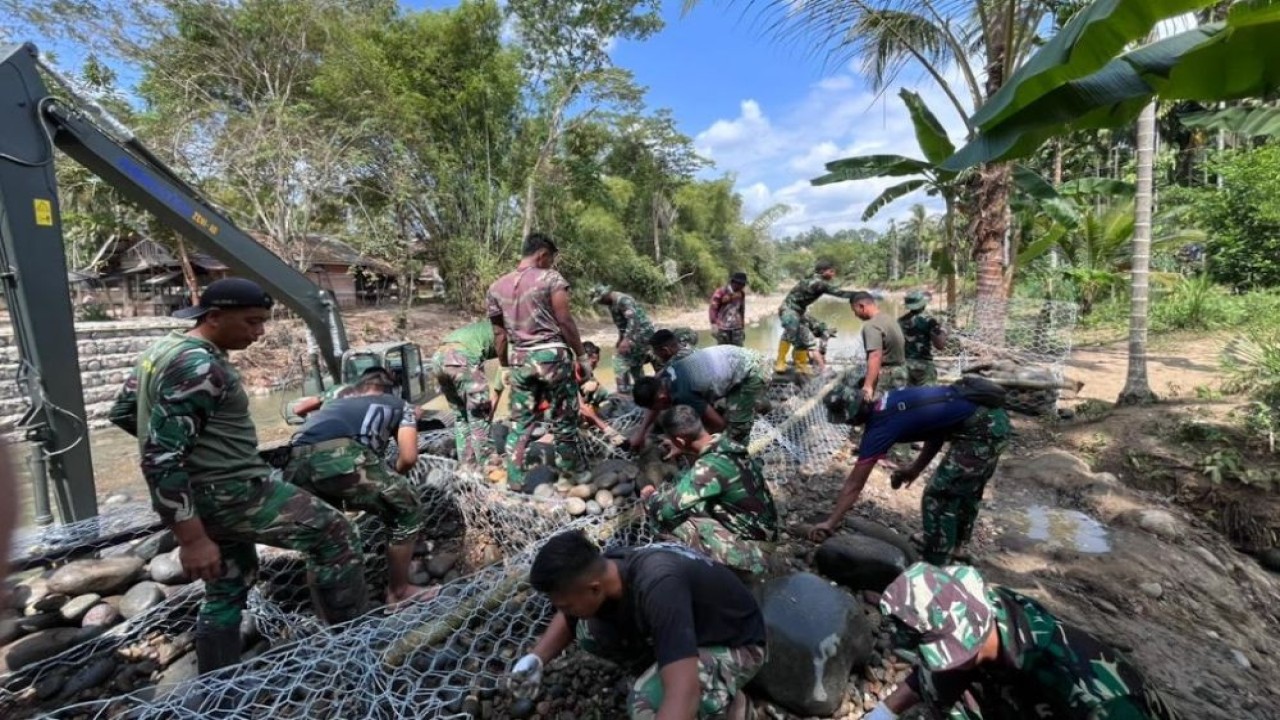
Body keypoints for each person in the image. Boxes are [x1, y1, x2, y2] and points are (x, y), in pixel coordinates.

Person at [108, 277, 366, 675]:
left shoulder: (160, 351)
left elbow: (127, 414)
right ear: (213, 317)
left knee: (227, 582)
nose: (259, 332)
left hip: (201, 495)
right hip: (232, 490)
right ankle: (354, 644)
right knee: (335, 535)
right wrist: (191, 539)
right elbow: (160, 456)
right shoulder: (201, 366)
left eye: (262, 322)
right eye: (251, 322)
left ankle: (219, 681)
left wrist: (193, 453)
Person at [867, 562, 1180, 720]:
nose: (932, 663)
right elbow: (927, 677)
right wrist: (880, 715)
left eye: (943, 653)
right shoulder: (987, 608)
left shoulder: (1095, 697)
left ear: (970, 640)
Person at [509, 530, 767, 720]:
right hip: (691, 629)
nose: (562, 611)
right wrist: (537, 658)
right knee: (588, 631)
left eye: (565, 605)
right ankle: (667, 666)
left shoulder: (659, 585)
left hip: (738, 643)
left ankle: (732, 707)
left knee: (644, 705)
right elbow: (569, 616)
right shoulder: (606, 568)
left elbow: (682, 695)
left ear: (594, 589)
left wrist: (675, 700)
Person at [808, 375, 1010, 565]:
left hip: (982, 430)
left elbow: (854, 484)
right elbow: (936, 428)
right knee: (966, 488)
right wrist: (914, 469)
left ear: (853, 416)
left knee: (939, 495)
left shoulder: (880, 428)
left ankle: (936, 563)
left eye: (846, 419)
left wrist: (830, 522)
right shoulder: (890, 398)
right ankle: (957, 546)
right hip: (991, 420)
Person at [284, 366, 427, 607]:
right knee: (406, 510)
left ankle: (325, 616)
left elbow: (298, 409)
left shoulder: (337, 392)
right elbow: (409, 457)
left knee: (321, 535)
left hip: (293, 458)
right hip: (342, 457)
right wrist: (395, 478)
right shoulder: (399, 404)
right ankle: (399, 591)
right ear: (388, 388)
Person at [487, 233, 594, 487]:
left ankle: (514, 479)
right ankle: (570, 474)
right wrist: (581, 356)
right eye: (551, 259)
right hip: (552, 356)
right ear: (542, 254)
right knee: (563, 416)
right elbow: (565, 321)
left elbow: (499, 334)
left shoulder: (495, 287)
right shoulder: (550, 278)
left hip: (520, 360)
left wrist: (503, 365)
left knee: (521, 422)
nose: (551, 264)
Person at [639, 405, 779, 577]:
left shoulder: (708, 468)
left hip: (755, 552)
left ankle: (714, 574)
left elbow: (664, 511)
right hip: (763, 535)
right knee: (691, 503)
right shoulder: (726, 443)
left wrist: (650, 495)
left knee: (668, 518)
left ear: (680, 441)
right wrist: (682, 447)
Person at [630, 341, 766, 449]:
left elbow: (719, 425)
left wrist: (683, 445)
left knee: (735, 433)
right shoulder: (663, 376)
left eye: (656, 407)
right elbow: (653, 405)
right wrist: (641, 433)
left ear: (662, 398)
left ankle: (744, 459)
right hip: (736, 357)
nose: (657, 410)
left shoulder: (683, 394)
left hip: (752, 370)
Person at [430, 319, 502, 467]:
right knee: (479, 416)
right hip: (460, 357)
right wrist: (496, 393)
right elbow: (506, 365)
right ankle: (489, 468)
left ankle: (467, 468)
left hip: (438, 359)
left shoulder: (485, 328)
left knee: (461, 416)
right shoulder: (512, 330)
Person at [776, 260, 857, 374]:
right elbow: (839, 293)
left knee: (803, 338)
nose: (833, 274)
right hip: (788, 309)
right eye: (831, 271)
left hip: (799, 312)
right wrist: (859, 295)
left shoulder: (815, 279)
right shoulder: (819, 283)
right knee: (792, 331)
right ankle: (780, 361)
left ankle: (801, 365)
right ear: (822, 271)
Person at [592, 285, 656, 395]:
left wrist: (626, 340)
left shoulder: (623, 300)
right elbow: (622, 324)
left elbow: (633, 320)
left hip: (641, 334)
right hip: (635, 335)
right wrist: (620, 339)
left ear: (606, 295)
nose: (600, 303)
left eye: (601, 300)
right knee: (635, 365)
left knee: (619, 360)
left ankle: (623, 392)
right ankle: (643, 391)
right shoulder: (612, 303)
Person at [851, 291, 908, 399]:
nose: (855, 315)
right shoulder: (889, 319)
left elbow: (875, 356)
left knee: (880, 410)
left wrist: (868, 386)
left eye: (855, 311)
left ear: (861, 306)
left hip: (887, 376)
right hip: (901, 372)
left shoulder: (871, 326)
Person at [899, 291, 948, 386]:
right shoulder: (929, 321)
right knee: (927, 397)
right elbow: (940, 345)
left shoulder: (899, 322)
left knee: (908, 397)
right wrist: (944, 331)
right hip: (924, 366)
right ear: (922, 305)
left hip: (905, 366)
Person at [708, 272, 748, 346]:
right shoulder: (721, 292)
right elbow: (713, 308)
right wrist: (714, 324)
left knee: (738, 353)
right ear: (734, 282)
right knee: (723, 353)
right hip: (723, 329)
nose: (743, 286)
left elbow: (742, 310)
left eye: (743, 284)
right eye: (741, 284)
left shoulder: (741, 294)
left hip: (737, 329)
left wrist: (742, 327)